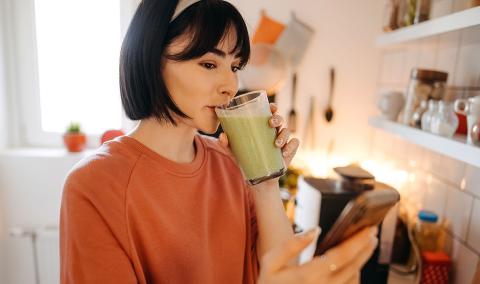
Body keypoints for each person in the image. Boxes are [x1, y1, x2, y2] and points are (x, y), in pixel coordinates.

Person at [60, 0, 378, 283]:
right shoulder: (95, 185)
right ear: (151, 60)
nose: (230, 84)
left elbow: (282, 269)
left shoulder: (231, 162)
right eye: (210, 64)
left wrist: (265, 181)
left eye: (235, 66)